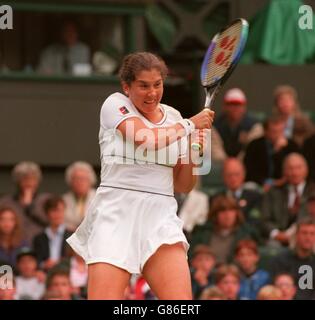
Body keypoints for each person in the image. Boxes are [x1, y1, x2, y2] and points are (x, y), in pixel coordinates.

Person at [66, 52, 214, 299]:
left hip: (160, 217)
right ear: (127, 86)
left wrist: (192, 151)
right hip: (115, 215)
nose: (152, 93)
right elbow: (147, 140)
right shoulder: (114, 105)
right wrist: (190, 125)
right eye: (143, 86)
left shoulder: (174, 117)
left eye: (157, 85)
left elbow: (183, 185)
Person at [261, 153, 315, 246]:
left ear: (306, 170)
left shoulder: (313, 191)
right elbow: (264, 219)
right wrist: (276, 234)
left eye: (298, 168)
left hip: (308, 238)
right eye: (290, 168)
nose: (294, 173)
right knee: (272, 246)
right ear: (284, 172)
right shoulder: (273, 192)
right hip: (278, 239)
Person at [190, 195, 261, 264]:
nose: (227, 215)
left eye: (231, 210)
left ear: (237, 213)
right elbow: (192, 257)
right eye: (223, 211)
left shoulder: (246, 234)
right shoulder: (202, 233)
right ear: (215, 214)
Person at [244, 116, 299, 190]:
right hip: (260, 183)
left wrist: (278, 152)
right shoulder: (254, 145)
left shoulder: (291, 145)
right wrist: (265, 182)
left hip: (286, 182)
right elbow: (249, 170)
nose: (278, 135)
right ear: (265, 131)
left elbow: (295, 168)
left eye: (280, 131)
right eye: (274, 131)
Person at [0, 162, 50, 243]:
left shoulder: (45, 200)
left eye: (33, 179)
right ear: (18, 181)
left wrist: (30, 207)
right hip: (14, 245)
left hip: (40, 245)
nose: (29, 183)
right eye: (25, 179)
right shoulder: (6, 202)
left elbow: (50, 223)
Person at [212, 88, 263, 160]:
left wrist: (238, 164)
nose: (235, 108)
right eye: (231, 104)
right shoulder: (215, 126)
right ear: (224, 106)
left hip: (246, 166)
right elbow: (216, 152)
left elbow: (251, 151)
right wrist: (229, 164)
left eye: (238, 104)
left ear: (244, 107)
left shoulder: (255, 126)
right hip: (222, 167)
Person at [270, 217, 315, 300]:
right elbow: (275, 291)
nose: (308, 237)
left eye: (312, 234)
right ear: (297, 235)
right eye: (304, 233)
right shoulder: (280, 260)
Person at [211, 157, 262, 228]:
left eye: (236, 174)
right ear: (223, 176)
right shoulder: (216, 198)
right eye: (229, 175)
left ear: (244, 174)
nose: (233, 178)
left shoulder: (255, 197)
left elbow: (256, 221)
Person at [33, 196, 72, 271]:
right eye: (54, 210)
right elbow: (36, 261)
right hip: (45, 274)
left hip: (66, 273)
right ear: (47, 213)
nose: (58, 214)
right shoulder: (38, 238)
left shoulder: (72, 235)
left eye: (61, 210)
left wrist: (60, 263)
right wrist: (44, 264)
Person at [63, 161, 97, 231]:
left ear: (91, 180)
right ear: (70, 181)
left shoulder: (99, 198)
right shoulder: (64, 200)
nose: (80, 182)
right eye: (76, 179)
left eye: (83, 179)